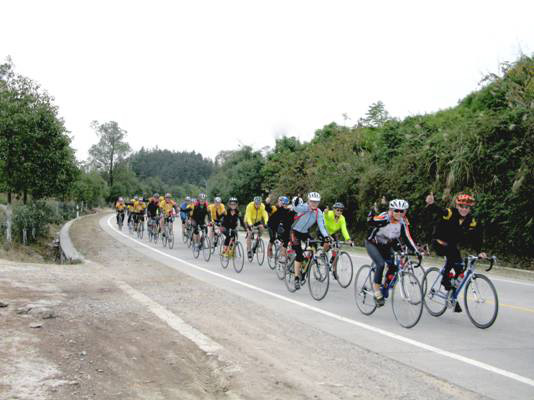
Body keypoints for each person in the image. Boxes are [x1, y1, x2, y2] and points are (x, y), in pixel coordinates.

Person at [425, 192, 486, 312]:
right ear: (457, 206)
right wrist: (431, 204)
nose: (464, 209)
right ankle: (444, 280)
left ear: (470, 208)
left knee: (460, 271)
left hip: (452, 246)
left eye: (467, 207)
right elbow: (439, 212)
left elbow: (477, 237)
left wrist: (480, 251)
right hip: (439, 242)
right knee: (452, 256)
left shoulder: (471, 220)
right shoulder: (450, 213)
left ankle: (452, 297)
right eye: (461, 206)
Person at [366, 199, 419, 306]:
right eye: (396, 211)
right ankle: (377, 293)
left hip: (387, 245)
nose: (399, 213)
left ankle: (385, 288)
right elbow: (370, 221)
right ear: (391, 210)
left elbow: (407, 238)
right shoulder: (385, 217)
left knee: (394, 267)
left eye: (402, 211)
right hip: (373, 243)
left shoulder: (403, 222)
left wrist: (416, 251)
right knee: (380, 264)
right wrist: (373, 211)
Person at [291, 192, 331, 290]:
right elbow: (296, 208)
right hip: (294, 232)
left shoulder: (319, 212)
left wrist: (326, 237)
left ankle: (304, 266)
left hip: (304, 233)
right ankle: (296, 278)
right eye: (312, 201)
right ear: (308, 201)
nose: (314, 204)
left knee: (314, 247)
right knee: (299, 254)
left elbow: (321, 226)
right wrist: (297, 200)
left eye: (316, 202)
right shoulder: (304, 207)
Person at [323, 202, 354, 278]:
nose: (339, 212)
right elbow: (325, 217)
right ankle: (323, 255)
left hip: (332, 233)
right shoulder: (329, 213)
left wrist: (348, 239)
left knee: (337, 249)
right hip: (324, 231)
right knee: (327, 244)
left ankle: (334, 271)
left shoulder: (342, 218)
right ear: (334, 210)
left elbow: (344, 229)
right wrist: (326, 213)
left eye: (341, 210)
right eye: (337, 210)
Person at [266, 196, 294, 261]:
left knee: (282, 239)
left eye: (285, 204)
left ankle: (281, 253)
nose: (284, 205)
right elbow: (268, 209)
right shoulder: (275, 208)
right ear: (278, 202)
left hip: (279, 226)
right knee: (272, 238)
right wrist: (267, 203)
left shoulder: (286, 209)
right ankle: (269, 251)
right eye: (282, 203)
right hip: (271, 225)